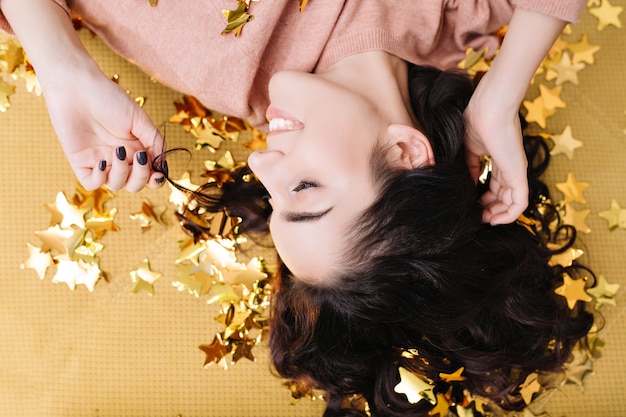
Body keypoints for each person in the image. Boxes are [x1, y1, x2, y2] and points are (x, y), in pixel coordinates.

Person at [1, 1, 594, 415]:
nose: (260, 165)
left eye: (272, 199)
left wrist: (62, 69)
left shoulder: (220, 58)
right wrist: (504, 87)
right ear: (405, 150)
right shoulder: (467, 20)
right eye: (305, 190)